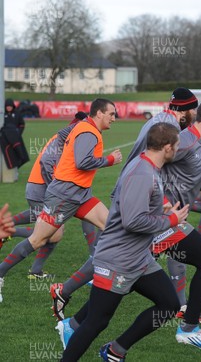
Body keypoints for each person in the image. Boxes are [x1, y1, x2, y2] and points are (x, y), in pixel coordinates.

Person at [60, 122, 189, 361]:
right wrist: (170, 220)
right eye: (177, 146)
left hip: (138, 258)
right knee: (96, 322)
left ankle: (115, 351)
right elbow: (133, 222)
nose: (178, 150)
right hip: (117, 260)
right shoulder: (142, 172)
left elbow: (138, 209)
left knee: (169, 304)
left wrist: (162, 209)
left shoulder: (148, 167)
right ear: (168, 147)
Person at [0, 98, 122, 303]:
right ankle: (1, 272)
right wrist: (110, 160)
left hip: (80, 195)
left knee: (111, 227)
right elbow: (82, 162)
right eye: (111, 114)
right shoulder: (88, 131)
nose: (114, 118)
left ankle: (101, 273)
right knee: (38, 240)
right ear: (99, 113)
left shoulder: (85, 128)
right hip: (65, 196)